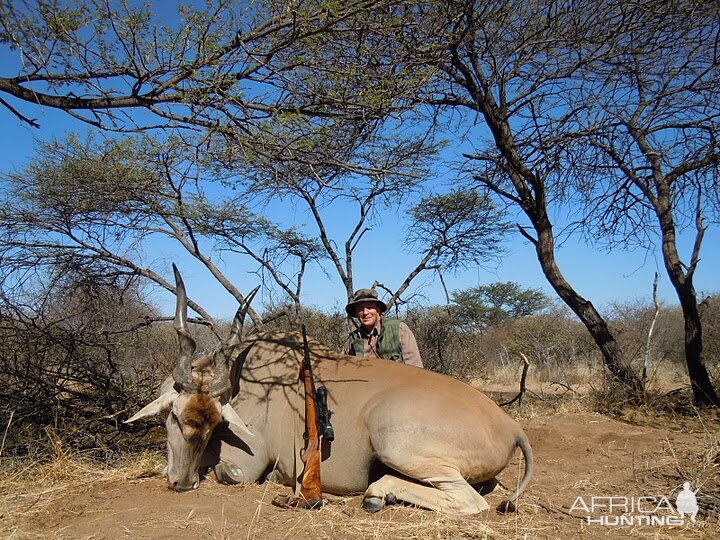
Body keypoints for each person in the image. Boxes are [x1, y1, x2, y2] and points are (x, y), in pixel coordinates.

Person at [343, 288, 423, 368]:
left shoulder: (399, 329)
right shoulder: (352, 339)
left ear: (378, 309)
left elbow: (416, 369)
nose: (365, 312)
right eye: (360, 308)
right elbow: (343, 368)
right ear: (356, 313)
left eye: (370, 307)